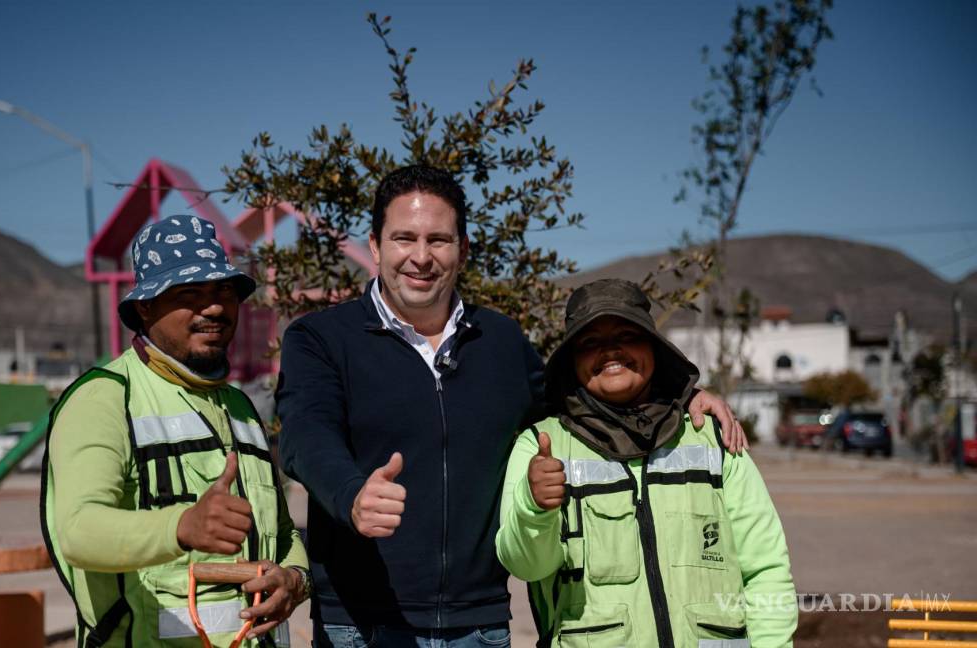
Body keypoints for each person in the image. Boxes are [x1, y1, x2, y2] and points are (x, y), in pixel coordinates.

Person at [275, 165, 747, 647]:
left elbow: (580, 406)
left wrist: (678, 395)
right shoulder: (320, 339)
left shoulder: (501, 341)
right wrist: (350, 493)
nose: (421, 257)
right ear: (375, 246)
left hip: (481, 627)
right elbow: (304, 434)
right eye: (403, 238)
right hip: (360, 625)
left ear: (463, 250)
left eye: (439, 240)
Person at [42, 216, 309, 647]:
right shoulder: (105, 399)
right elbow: (77, 531)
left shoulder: (239, 407)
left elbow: (281, 529)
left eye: (225, 291)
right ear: (145, 307)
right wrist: (181, 527)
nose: (215, 307)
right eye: (190, 293)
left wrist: (295, 578)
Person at [496, 279, 796, 647]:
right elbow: (525, 566)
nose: (610, 351)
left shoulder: (714, 438)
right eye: (590, 342)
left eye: (627, 334)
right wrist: (534, 507)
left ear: (654, 348)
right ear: (572, 360)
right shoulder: (541, 446)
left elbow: (766, 568)